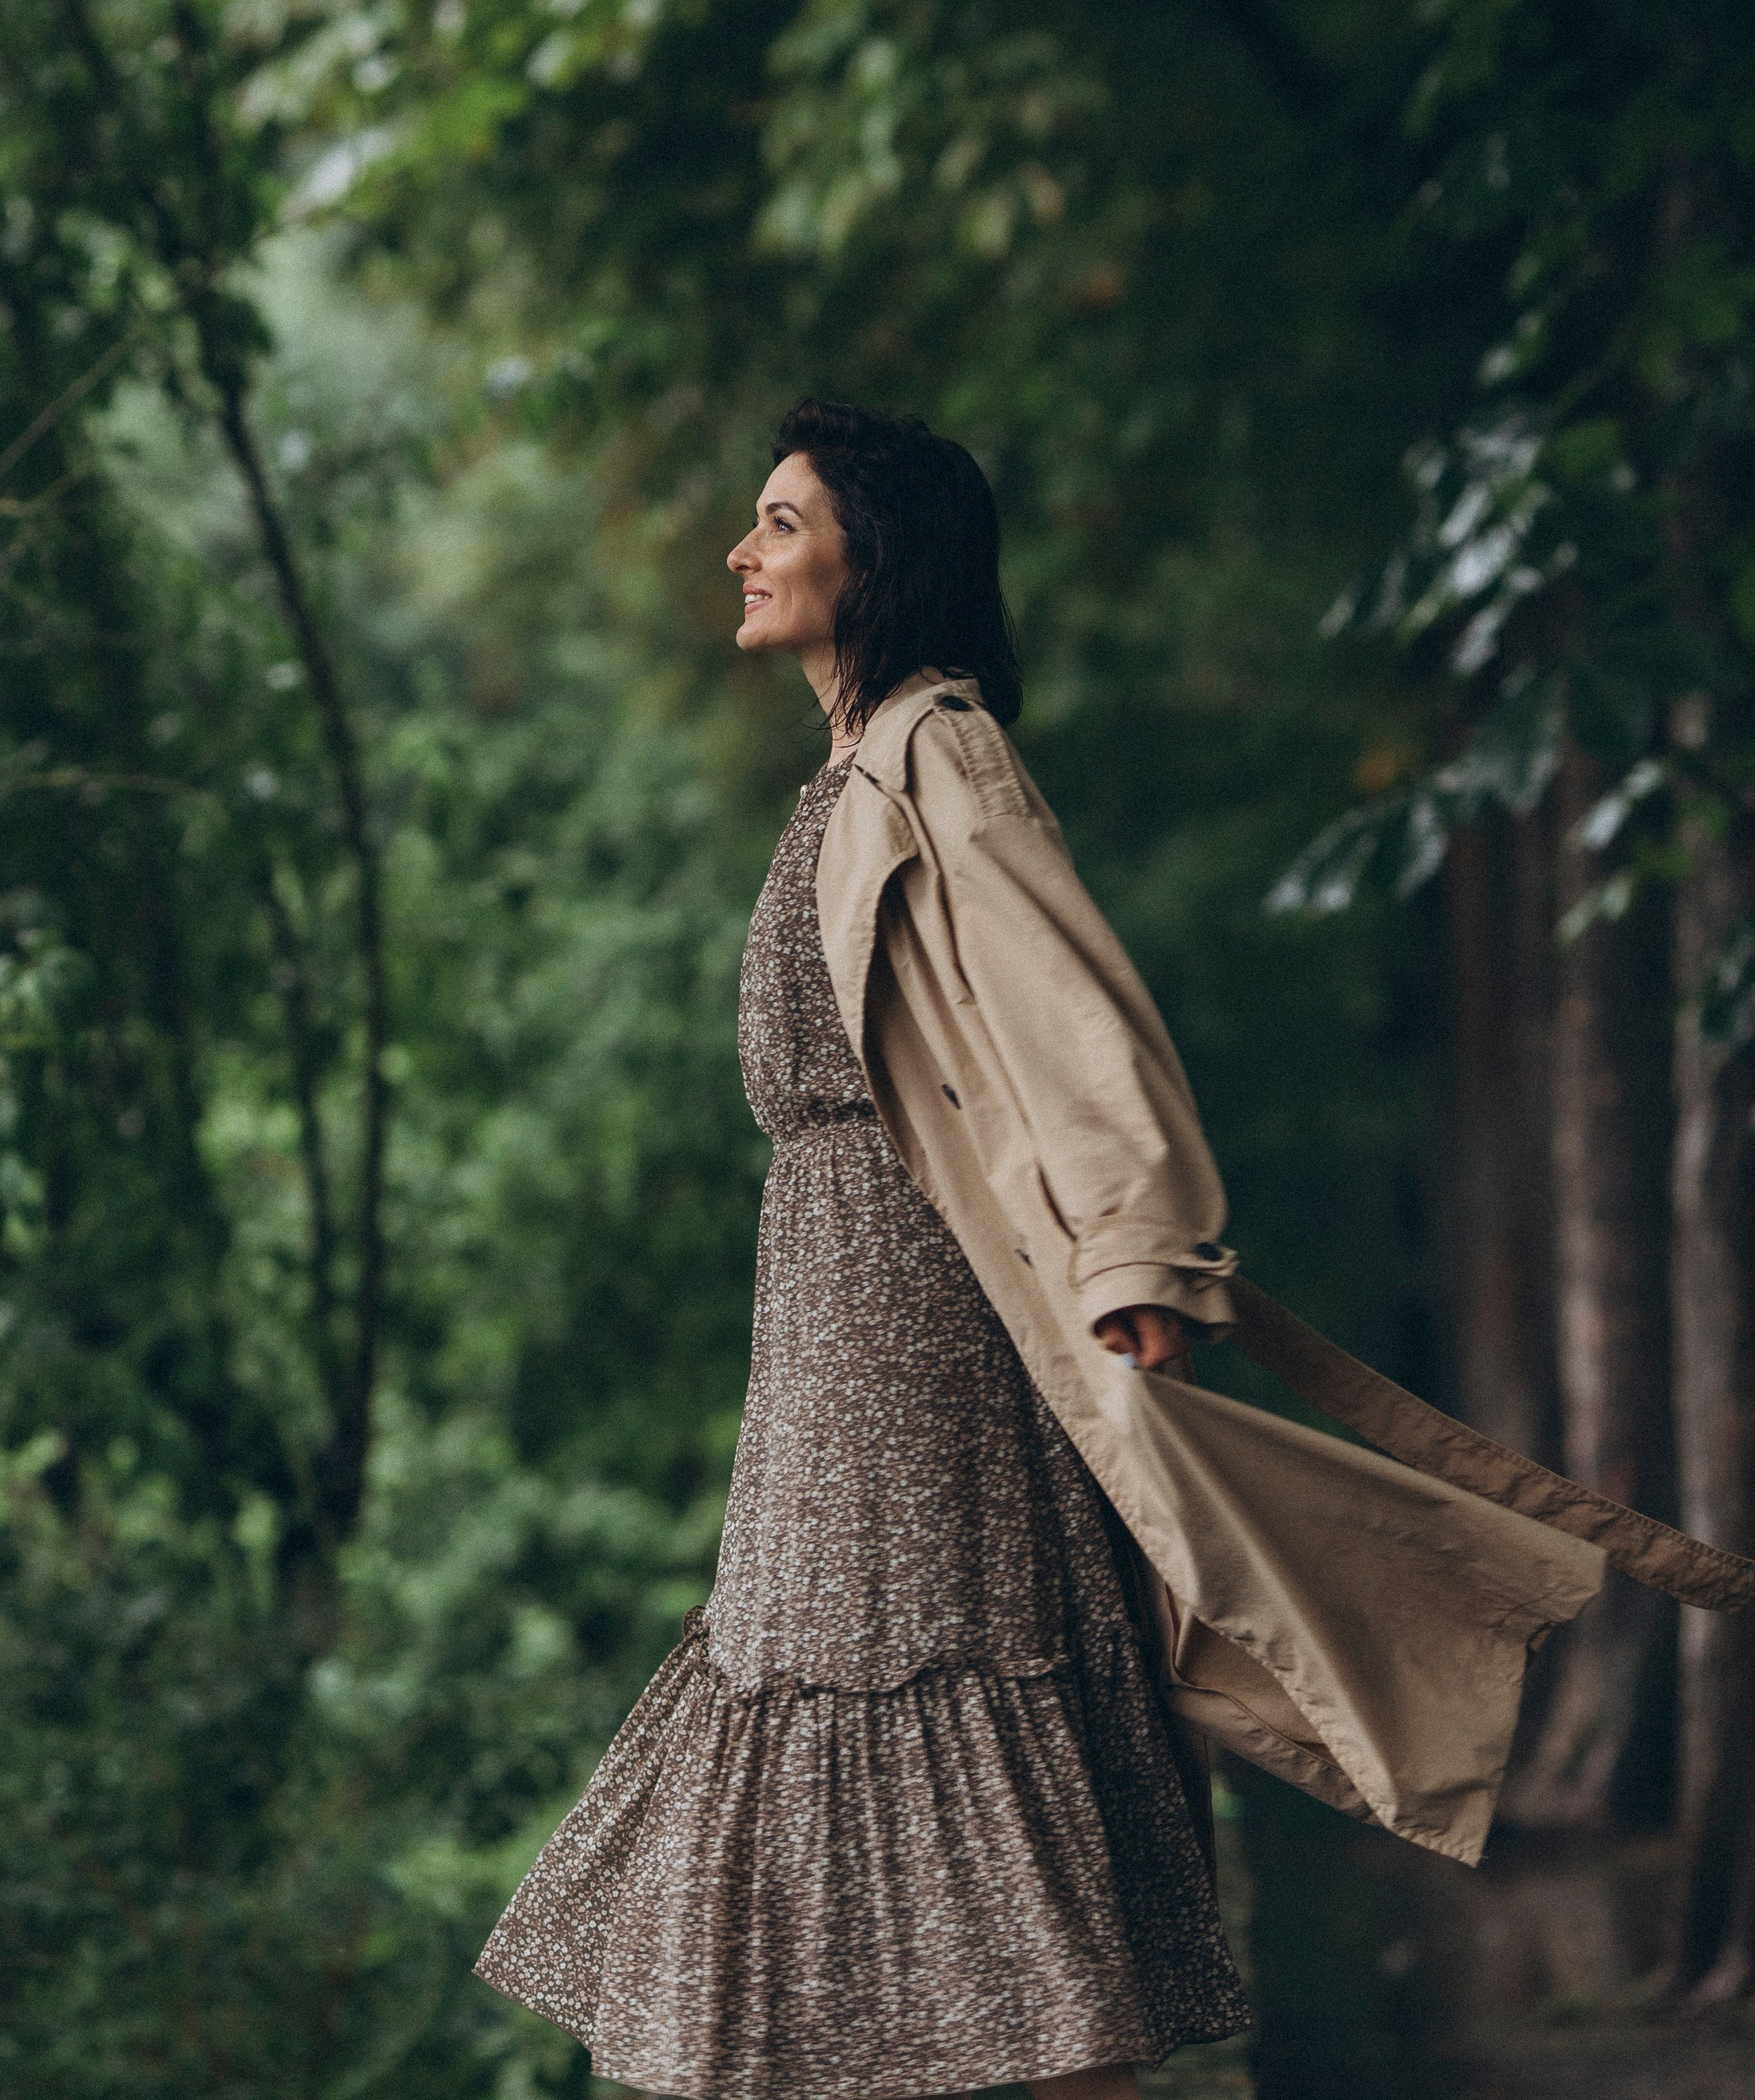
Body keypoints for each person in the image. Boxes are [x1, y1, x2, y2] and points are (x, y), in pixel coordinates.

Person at [476, 399, 1746, 2100]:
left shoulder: (939, 748)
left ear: (881, 556)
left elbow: (1072, 1004)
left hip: (914, 1330)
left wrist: (1138, 1253)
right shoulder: (849, 770)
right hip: (831, 1322)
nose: (741, 549)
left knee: (906, 1691)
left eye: (779, 520)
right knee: (830, 1696)